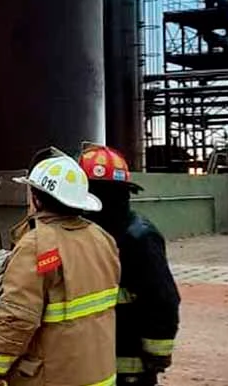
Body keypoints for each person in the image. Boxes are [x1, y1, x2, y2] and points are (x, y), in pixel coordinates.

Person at [0, 151, 120, 386]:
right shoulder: (102, 237)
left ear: (37, 198)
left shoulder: (36, 244)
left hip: (55, 377)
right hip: (101, 375)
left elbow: (18, 317)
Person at [78, 144, 180, 385]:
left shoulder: (139, 237)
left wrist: (156, 353)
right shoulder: (84, 233)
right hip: (90, 356)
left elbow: (162, 299)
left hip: (128, 361)